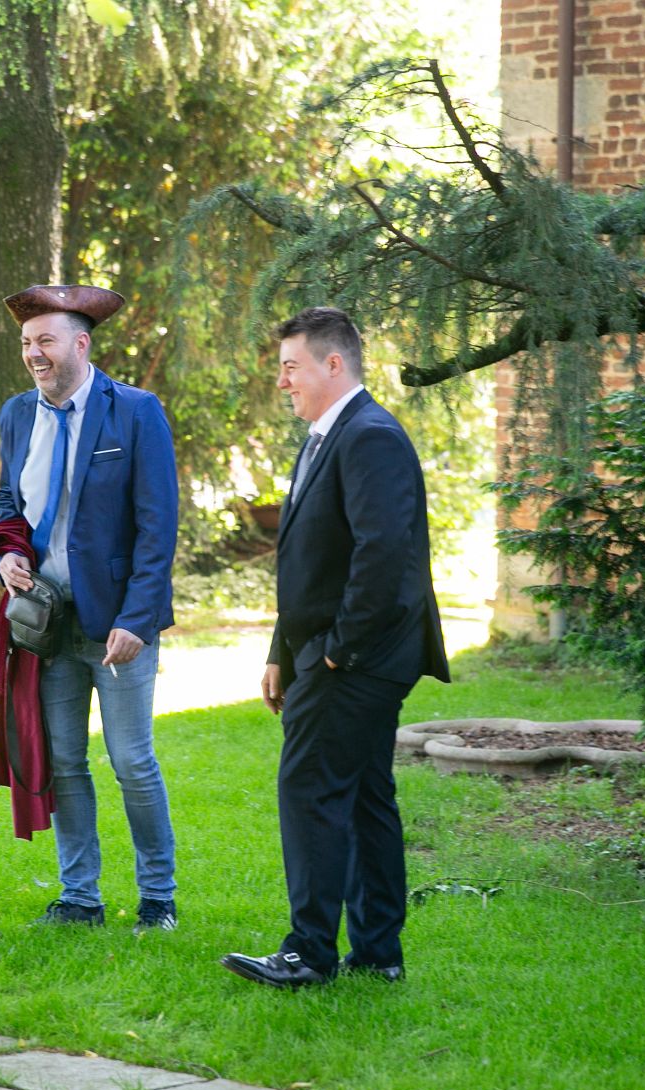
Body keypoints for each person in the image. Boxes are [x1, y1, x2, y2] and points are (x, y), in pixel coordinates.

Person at [221, 306, 449, 990]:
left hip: (358, 658)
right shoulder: (327, 435)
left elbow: (383, 557)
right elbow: (310, 559)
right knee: (364, 796)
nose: (282, 381)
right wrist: (279, 651)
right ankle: (377, 953)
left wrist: (335, 653)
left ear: (333, 363)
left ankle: (309, 953)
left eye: (291, 366)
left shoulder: (370, 436)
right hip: (333, 650)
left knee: (311, 788)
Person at [0, 284, 180, 932]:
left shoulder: (136, 411)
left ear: (80, 343)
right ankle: (80, 898)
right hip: (47, 623)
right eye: (26, 343)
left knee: (132, 761)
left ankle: (158, 898)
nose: (33, 353)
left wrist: (137, 619)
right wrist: (6, 557)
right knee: (66, 761)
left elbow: (158, 526)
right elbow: (8, 507)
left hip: (118, 624)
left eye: (45, 340)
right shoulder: (17, 414)